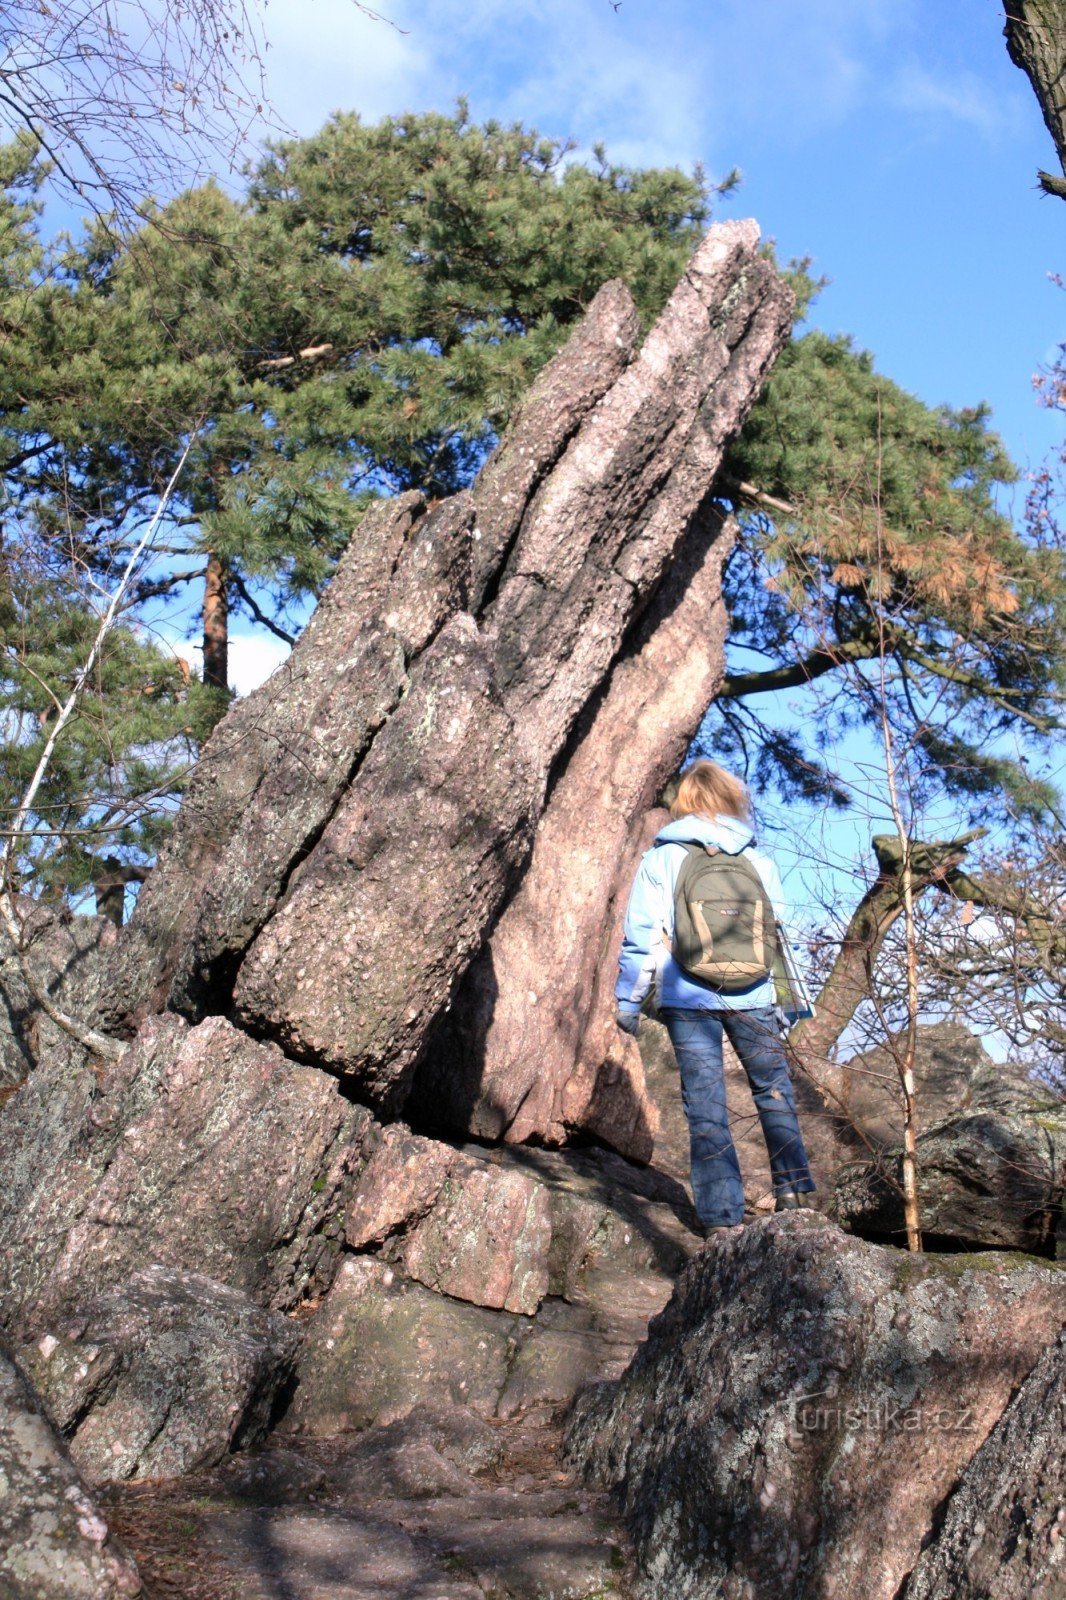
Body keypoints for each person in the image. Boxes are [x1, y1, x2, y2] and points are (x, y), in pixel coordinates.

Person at [615, 759, 815, 1235]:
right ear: (731, 801)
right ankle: (796, 1195)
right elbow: (781, 935)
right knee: (774, 1092)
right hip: (756, 994)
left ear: (683, 803)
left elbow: (640, 938)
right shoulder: (757, 859)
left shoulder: (661, 858)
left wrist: (628, 1002)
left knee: (706, 1105)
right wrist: (791, 1002)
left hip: (688, 997)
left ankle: (721, 1221)